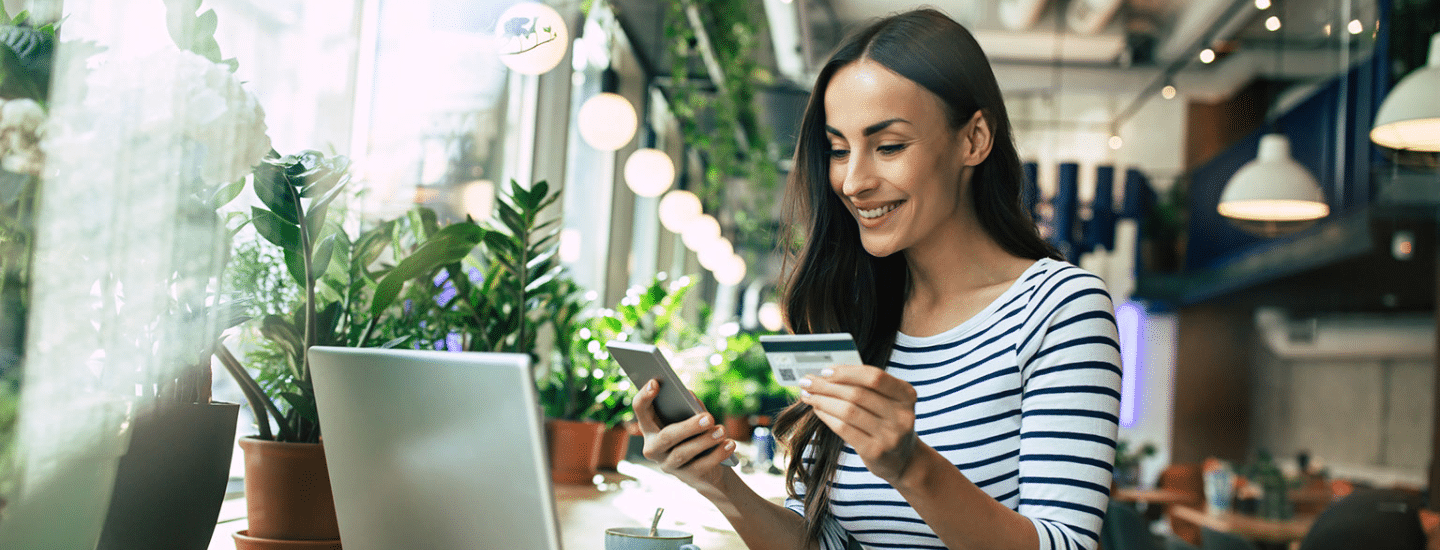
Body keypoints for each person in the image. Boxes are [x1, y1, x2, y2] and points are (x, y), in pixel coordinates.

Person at [632, 8, 1121, 550]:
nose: (853, 181)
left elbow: (1067, 544)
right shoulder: (855, 308)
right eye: (839, 150)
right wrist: (717, 482)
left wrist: (912, 466)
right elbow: (825, 543)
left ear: (974, 139)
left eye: (888, 146)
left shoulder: (1060, 308)